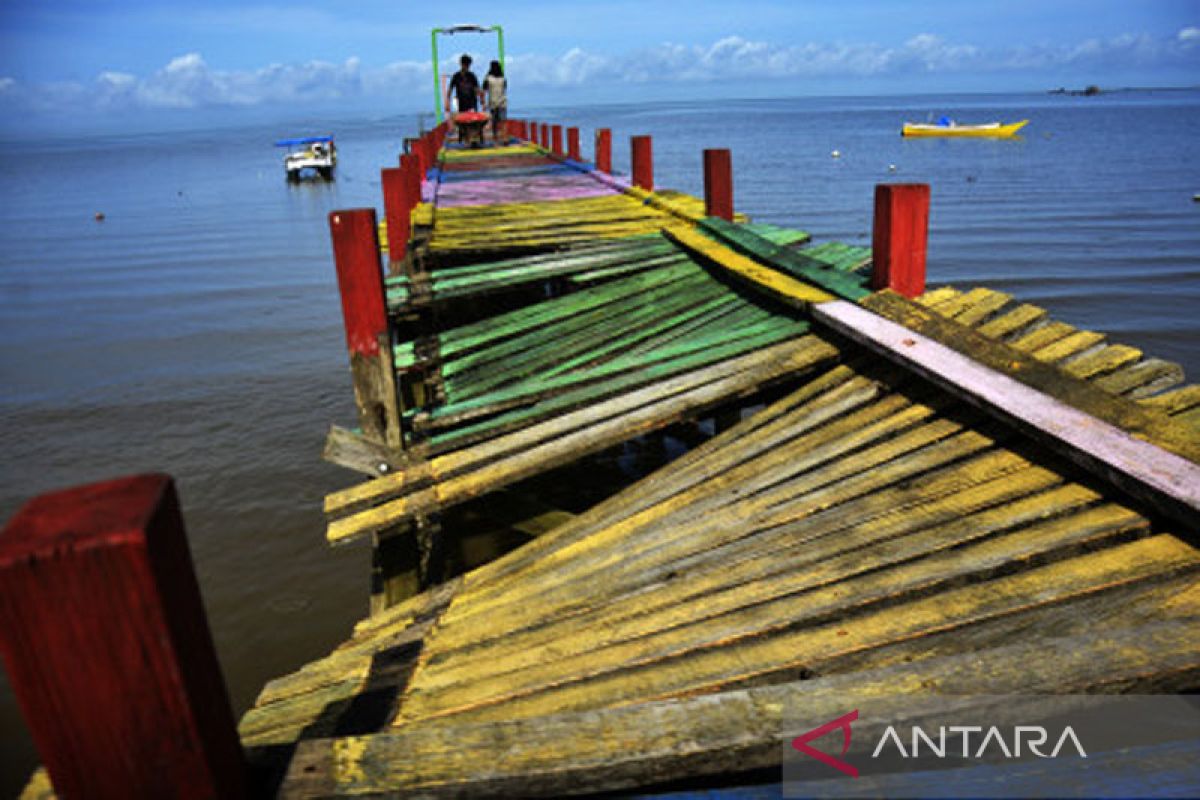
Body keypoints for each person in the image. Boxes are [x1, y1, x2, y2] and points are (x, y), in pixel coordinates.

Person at [482, 60, 508, 144]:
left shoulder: (488, 78)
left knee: (494, 123)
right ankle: (505, 138)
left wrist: (483, 102)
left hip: (493, 103)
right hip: (502, 102)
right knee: (503, 121)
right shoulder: (503, 78)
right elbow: (504, 88)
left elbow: (484, 89)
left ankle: (495, 139)